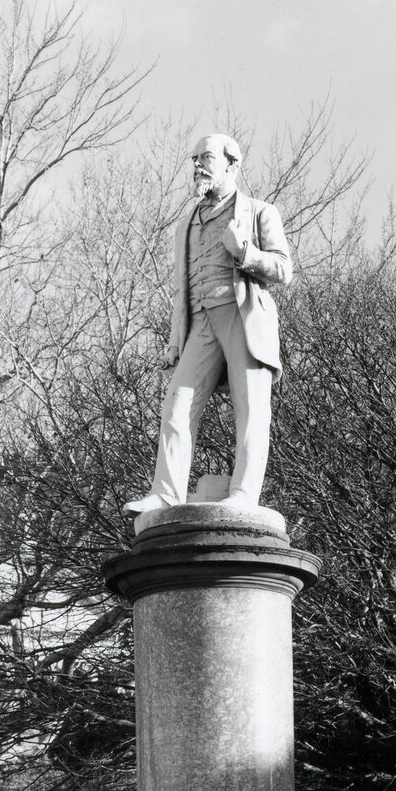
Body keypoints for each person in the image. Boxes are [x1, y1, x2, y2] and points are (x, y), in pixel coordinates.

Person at [123, 133, 292, 515]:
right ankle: (166, 494)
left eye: (207, 157)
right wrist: (174, 341)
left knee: (251, 411)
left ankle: (243, 495)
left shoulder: (260, 212)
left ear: (232, 164)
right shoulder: (186, 224)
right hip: (200, 323)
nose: (198, 164)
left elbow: (283, 269)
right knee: (177, 406)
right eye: (194, 158)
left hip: (242, 317)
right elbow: (182, 287)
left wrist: (244, 252)